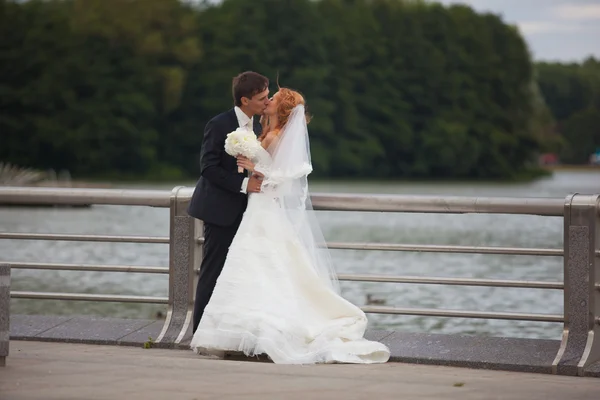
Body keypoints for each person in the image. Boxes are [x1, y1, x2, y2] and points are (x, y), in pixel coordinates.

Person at [189, 87, 390, 364]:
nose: (267, 101)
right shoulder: (271, 132)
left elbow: (278, 178)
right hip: (259, 208)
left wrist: (253, 168)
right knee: (259, 266)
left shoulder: (273, 136)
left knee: (256, 265)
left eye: (272, 98)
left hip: (263, 208)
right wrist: (252, 169)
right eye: (265, 97)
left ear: (281, 107)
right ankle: (246, 332)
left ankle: (248, 333)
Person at [187, 71, 270, 333]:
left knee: (240, 272)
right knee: (213, 271)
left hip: (249, 213)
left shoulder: (259, 126)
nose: (266, 102)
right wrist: (245, 185)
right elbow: (208, 167)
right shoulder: (219, 124)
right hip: (219, 210)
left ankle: (229, 331)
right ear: (245, 100)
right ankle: (199, 332)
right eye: (261, 98)